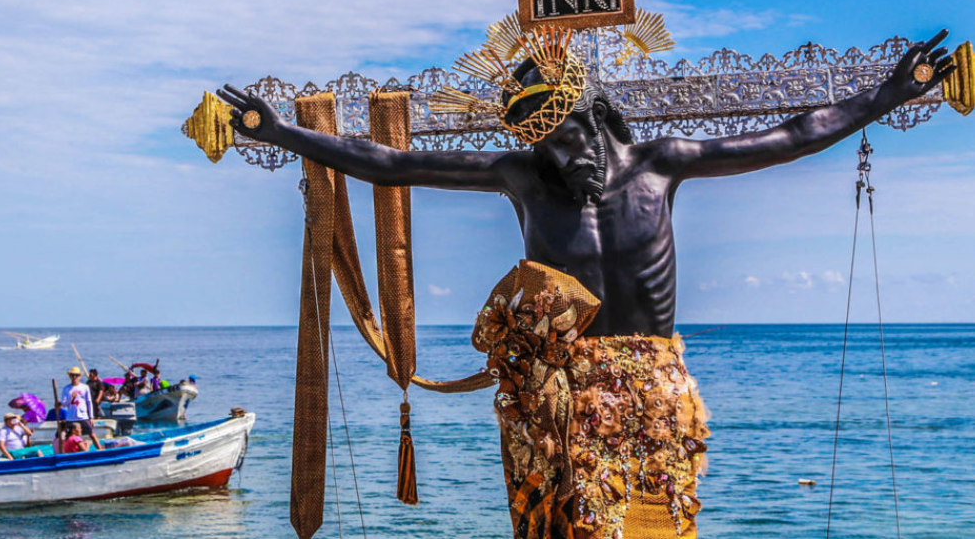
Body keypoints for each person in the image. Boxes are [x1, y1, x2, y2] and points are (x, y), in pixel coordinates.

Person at [219, 30, 955, 539]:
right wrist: (281, 133)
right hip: (561, 396)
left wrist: (887, 97)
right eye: (543, 140)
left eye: (567, 133)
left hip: (657, 386)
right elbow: (386, 162)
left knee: (658, 521)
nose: (560, 154)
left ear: (597, 114)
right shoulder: (522, 176)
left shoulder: (663, 163)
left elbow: (794, 135)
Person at [59, 367, 102, 450]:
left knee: (92, 434)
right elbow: (64, 404)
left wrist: (91, 417)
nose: (74, 377)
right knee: (68, 436)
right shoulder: (66, 389)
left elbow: (89, 402)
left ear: (80, 376)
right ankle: (65, 452)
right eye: (72, 375)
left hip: (83, 416)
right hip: (71, 417)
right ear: (70, 376)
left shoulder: (85, 387)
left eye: (76, 375)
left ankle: (100, 450)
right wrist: (71, 398)